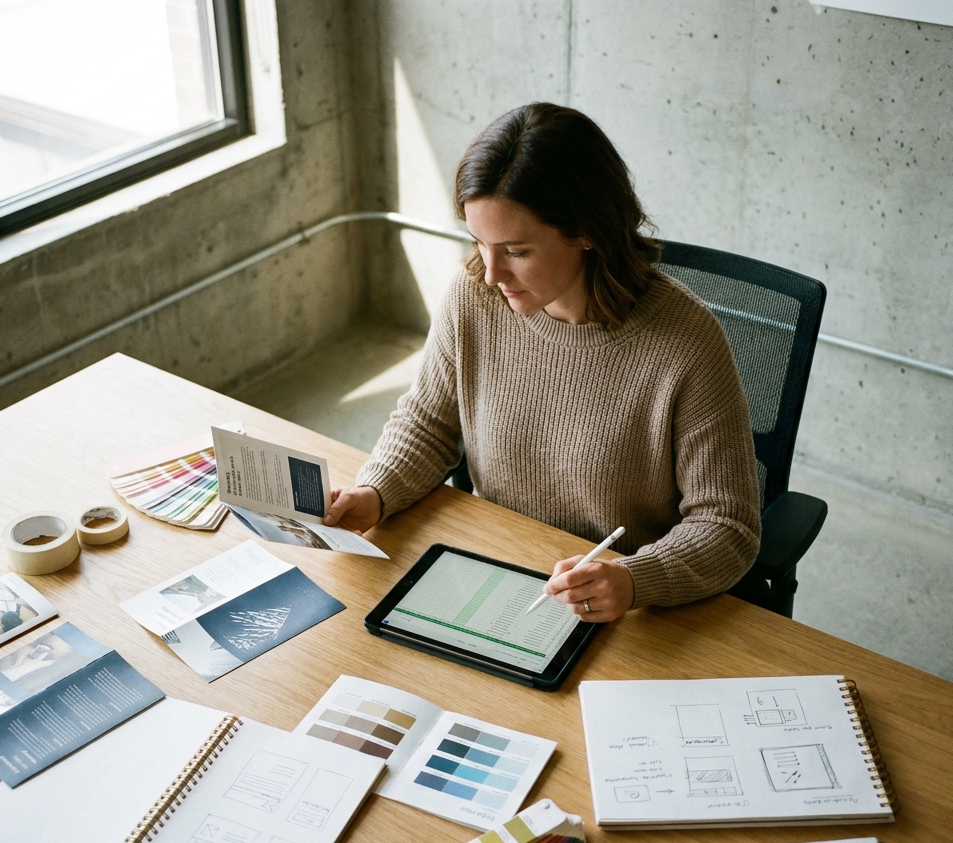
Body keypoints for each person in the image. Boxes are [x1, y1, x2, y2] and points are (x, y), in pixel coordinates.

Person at [324, 102, 761, 622]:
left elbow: (727, 524)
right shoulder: (474, 298)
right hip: (496, 573)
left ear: (587, 231)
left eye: (516, 250)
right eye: (479, 243)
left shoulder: (686, 343)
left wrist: (632, 579)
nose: (491, 274)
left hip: (625, 608)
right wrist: (376, 490)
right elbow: (428, 423)